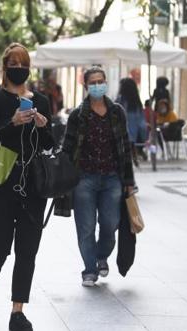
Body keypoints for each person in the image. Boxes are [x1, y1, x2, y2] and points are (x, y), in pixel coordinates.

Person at [0, 43, 55, 331]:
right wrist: (12, 122)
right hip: (0, 183)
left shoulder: (42, 101)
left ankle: (17, 310)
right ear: (5, 67)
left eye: (24, 62)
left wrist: (44, 126)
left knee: (27, 251)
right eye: (14, 62)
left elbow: (48, 145)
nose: (19, 67)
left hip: (32, 185)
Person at [62, 66, 135, 287]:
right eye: (92, 82)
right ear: (86, 86)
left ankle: (101, 255)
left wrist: (129, 182)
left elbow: (125, 148)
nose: (97, 85)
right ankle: (90, 270)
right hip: (84, 179)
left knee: (110, 225)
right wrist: (63, 181)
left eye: (100, 81)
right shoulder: (77, 115)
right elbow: (67, 149)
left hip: (112, 178)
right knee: (85, 228)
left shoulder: (117, 112)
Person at [117, 78, 147, 164]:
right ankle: (136, 154)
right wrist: (144, 136)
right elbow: (141, 124)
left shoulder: (119, 101)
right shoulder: (137, 103)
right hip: (135, 137)